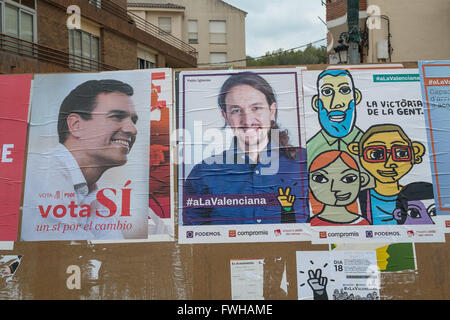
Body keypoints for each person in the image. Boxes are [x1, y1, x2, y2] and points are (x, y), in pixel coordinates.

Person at [183, 72, 308, 225]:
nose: (247, 120)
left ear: (272, 110)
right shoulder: (202, 174)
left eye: (256, 108)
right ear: (226, 116)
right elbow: (194, 242)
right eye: (236, 110)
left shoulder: (306, 162)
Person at [21, 79, 139, 241]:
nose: (132, 129)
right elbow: (76, 254)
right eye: (117, 117)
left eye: (133, 121)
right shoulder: (41, 174)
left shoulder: (93, 195)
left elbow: (113, 253)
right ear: (76, 125)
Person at [348, 124, 426, 225]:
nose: (389, 163)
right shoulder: (358, 198)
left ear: (414, 152)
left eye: (401, 154)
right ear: (360, 153)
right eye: (376, 154)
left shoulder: (418, 196)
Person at [307, 69, 363, 168]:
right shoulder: (309, 149)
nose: (336, 104)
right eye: (327, 92)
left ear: (356, 97)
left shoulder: (369, 144)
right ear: (316, 103)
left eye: (344, 90)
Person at [308, 151, 370, 226]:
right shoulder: (312, 224)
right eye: (320, 179)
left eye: (348, 179)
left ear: (362, 180)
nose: (335, 188)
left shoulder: (363, 224)